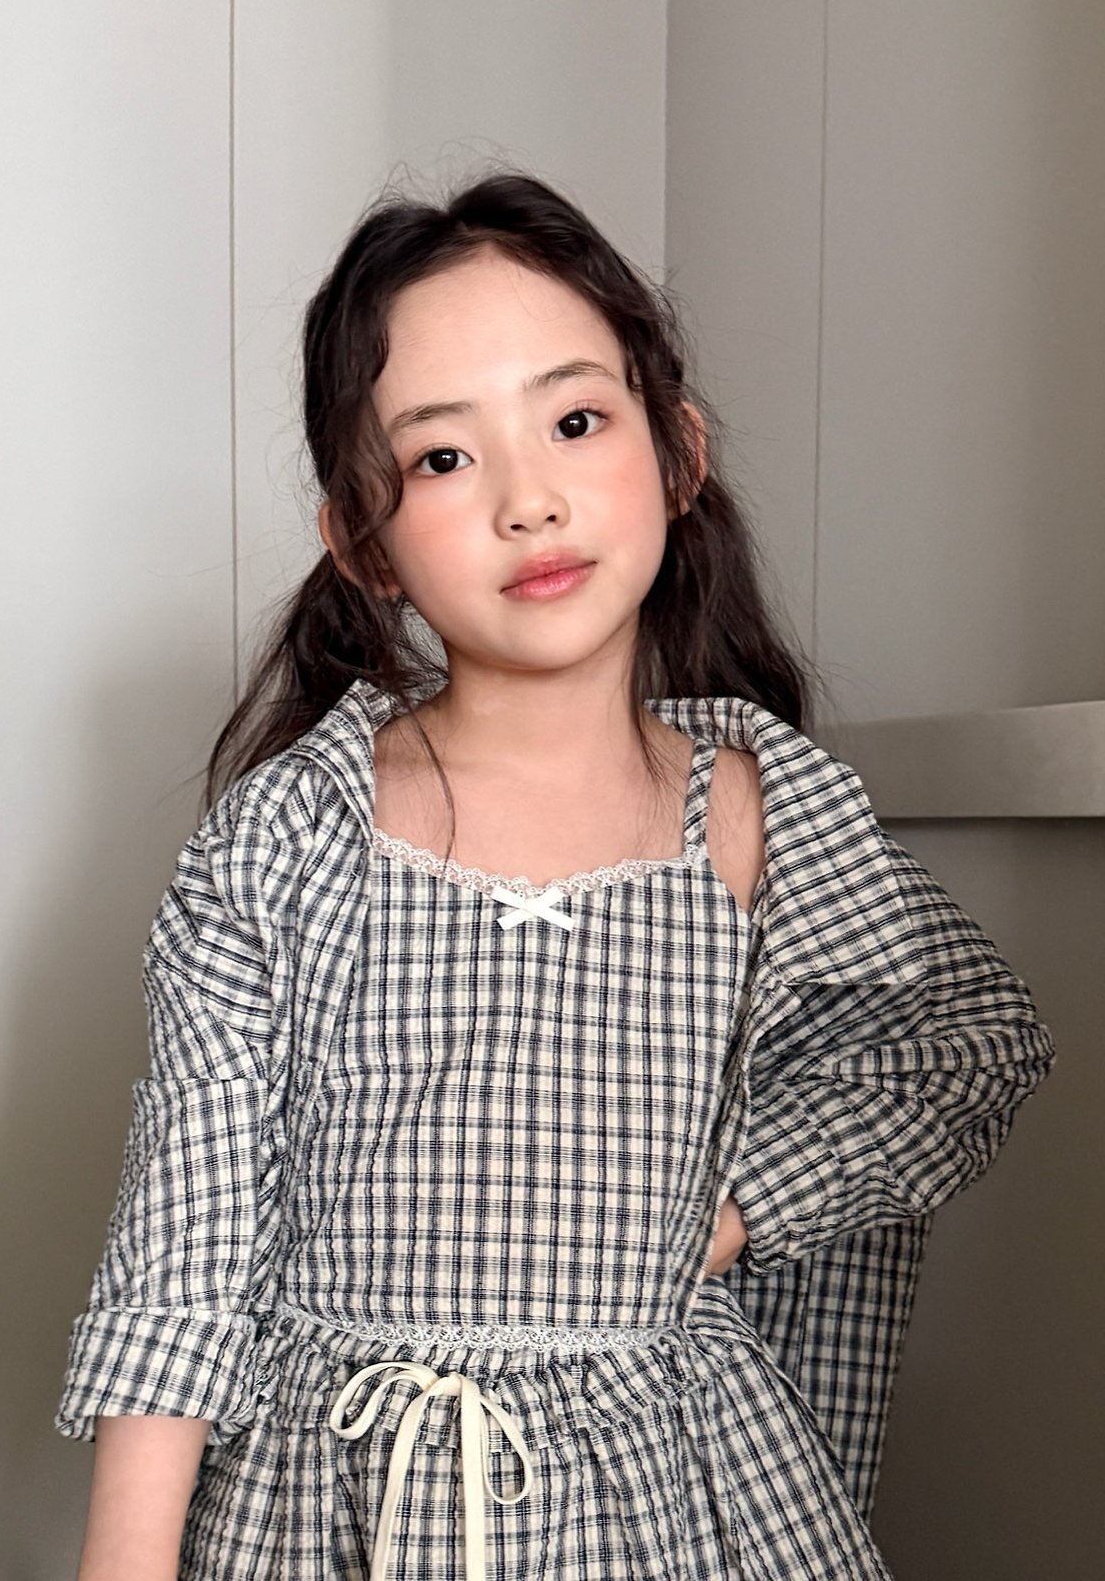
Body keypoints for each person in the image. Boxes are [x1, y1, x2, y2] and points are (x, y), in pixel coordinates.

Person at [55, 171, 1056, 1580]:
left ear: (678, 453)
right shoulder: (288, 838)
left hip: (672, 1501)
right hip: (334, 1509)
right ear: (361, 540)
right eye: (442, 460)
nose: (529, 501)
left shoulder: (765, 814)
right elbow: (183, 1258)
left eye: (576, 422)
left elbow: (964, 1043)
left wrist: (730, 1211)